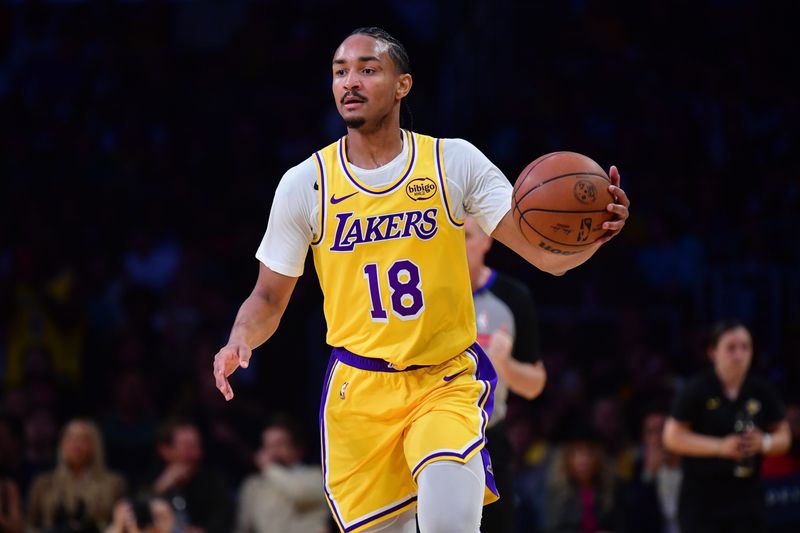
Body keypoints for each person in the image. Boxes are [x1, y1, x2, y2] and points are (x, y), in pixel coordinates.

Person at [213, 26, 629, 533]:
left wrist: (593, 235)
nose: (350, 82)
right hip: (359, 391)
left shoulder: (453, 162)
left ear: (402, 84)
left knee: (449, 525)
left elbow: (549, 259)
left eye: (368, 69)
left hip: (443, 381)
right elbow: (268, 297)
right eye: (341, 72)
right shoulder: (306, 184)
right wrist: (239, 339)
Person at [663, 320, 792, 533]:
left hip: (747, 497)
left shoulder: (761, 389)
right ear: (713, 352)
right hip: (703, 499)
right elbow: (672, 437)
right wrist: (720, 447)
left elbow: (784, 437)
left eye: (745, 347)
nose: (739, 354)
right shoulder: (697, 388)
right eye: (731, 347)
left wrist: (764, 442)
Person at [464, 216, 546, 532]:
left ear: (487, 240)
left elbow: (535, 385)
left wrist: (506, 364)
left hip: (489, 436)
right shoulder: (424, 293)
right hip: (429, 436)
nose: (457, 246)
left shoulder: (513, 297)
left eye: (467, 236)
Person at [27, 418, 127, 533]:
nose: (76, 444)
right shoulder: (43, 484)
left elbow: (120, 523)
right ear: (61, 444)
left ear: (94, 445)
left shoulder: (113, 484)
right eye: (70, 438)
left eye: (83, 439)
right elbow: (30, 525)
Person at [235, 415, 328, 533]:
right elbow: (242, 528)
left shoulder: (316, 476)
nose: (272, 452)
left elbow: (298, 493)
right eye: (267, 446)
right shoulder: (253, 485)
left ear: (297, 448)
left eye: (279, 444)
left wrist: (268, 467)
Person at [150, 420, 232, 533]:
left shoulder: (213, 481)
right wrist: (160, 488)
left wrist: (203, 530)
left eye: (197, 446)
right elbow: (136, 512)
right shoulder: (150, 477)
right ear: (165, 450)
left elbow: (224, 517)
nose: (196, 454)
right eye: (188, 447)